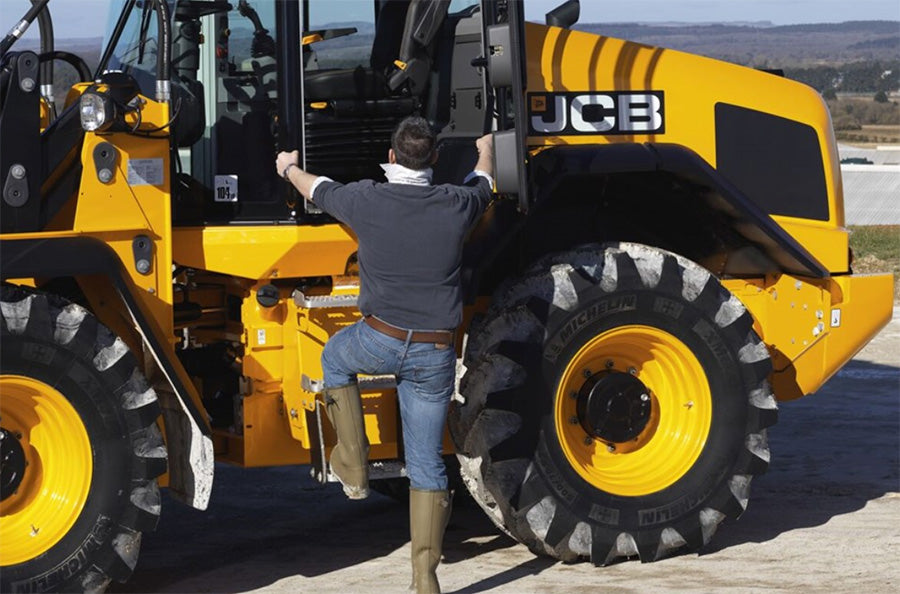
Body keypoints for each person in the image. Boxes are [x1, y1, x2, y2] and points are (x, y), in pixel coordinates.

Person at [275, 116, 494, 594]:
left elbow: (317, 188)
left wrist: (288, 167)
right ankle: (425, 579)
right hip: (434, 352)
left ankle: (353, 466)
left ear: (392, 157)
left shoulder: (367, 199)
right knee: (427, 464)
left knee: (335, 358)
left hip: (379, 340)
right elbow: (485, 182)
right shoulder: (457, 203)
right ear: (434, 158)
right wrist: (486, 147)